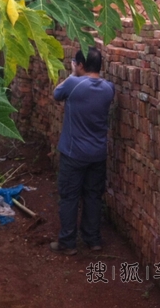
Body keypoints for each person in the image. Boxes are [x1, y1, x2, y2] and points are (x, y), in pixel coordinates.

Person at [49, 47, 115, 256]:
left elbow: (56, 95)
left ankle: (68, 242)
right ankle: (93, 239)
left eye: (75, 63)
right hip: (97, 154)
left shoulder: (73, 84)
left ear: (81, 65)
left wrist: (72, 73)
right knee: (93, 196)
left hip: (73, 153)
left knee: (69, 196)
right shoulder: (109, 89)